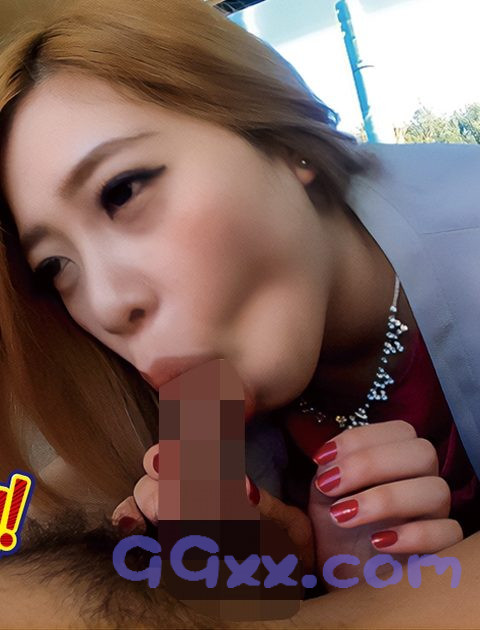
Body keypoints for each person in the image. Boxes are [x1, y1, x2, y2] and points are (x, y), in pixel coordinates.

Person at [0, 0, 478, 627]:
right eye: (55, 266)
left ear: (287, 143)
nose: (107, 305)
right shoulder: (178, 404)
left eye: (122, 190)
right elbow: (20, 515)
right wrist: (290, 576)